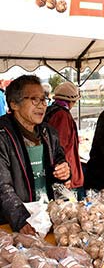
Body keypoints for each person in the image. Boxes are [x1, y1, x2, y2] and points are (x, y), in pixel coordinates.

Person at [0, 75, 71, 234]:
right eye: (34, 99)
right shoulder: (2, 136)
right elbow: (2, 187)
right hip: (14, 223)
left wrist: (65, 170)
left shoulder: (48, 132)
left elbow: (60, 158)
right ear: (14, 104)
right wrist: (20, 219)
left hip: (47, 217)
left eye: (43, 99)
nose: (42, 105)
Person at [44, 81, 84, 191]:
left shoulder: (50, 110)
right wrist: (66, 176)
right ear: (71, 101)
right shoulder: (62, 116)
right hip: (65, 173)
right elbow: (60, 147)